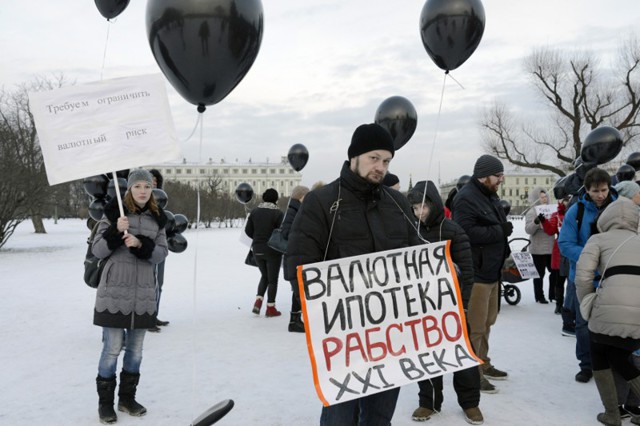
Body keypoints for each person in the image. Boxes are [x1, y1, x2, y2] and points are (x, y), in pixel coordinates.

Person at [286, 123, 422, 426]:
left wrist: (439, 266)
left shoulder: (398, 204)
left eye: (387, 161)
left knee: (379, 417)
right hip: (343, 334)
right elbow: (297, 265)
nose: (381, 167)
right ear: (354, 157)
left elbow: (416, 253)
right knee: (340, 415)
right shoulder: (322, 202)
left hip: (391, 331)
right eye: (374, 158)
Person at [92, 169, 168, 424]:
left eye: (147, 186)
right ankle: (105, 404)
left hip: (144, 293)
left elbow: (161, 254)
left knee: (135, 351)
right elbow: (99, 250)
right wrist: (115, 230)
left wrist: (140, 244)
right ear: (129, 189)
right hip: (114, 292)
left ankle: (126, 398)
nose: (143, 191)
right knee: (112, 349)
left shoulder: (158, 219)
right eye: (138, 186)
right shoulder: (113, 214)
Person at [407, 180, 483, 425]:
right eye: (415, 208)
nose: (419, 213)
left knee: (461, 355)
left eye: (423, 207)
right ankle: (428, 401)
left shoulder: (453, 230)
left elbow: (468, 272)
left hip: (452, 306)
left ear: (434, 204)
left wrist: (464, 303)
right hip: (422, 305)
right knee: (426, 355)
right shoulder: (411, 232)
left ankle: (470, 403)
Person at [575, 196, 640, 426]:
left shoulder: (597, 240)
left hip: (606, 309)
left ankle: (612, 413)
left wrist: (587, 305)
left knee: (600, 350)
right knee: (623, 355)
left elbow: (582, 277)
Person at [452, 154, 512, 394]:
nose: (501, 180)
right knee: (475, 327)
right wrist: (500, 231)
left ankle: (483, 362)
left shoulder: (489, 195)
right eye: (498, 176)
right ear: (485, 175)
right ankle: (472, 374)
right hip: (476, 274)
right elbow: (464, 232)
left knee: (487, 322)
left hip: (492, 271)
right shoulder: (466, 198)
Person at [558, 167, 616, 384]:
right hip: (582, 277)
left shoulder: (619, 209)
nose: (600, 195)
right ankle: (586, 364)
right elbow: (565, 243)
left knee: (611, 323)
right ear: (587, 191)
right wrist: (592, 257)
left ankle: (610, 364)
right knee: (583, 324)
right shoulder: (577, 211)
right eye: (595, 191)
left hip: (612, 277)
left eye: (604, 190)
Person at [245, 188, 284, 317]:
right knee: (272, 280)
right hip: (272, 250)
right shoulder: (278, 213)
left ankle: (258, 301)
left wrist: (257, 240)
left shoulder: (254, 212)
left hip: (257, 250)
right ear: (276, 200)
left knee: (265, 276)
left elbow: (248, 231)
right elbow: (282, 232)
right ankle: (270, 308)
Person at [280, 184, 310, 332]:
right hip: (295, 255)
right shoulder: (294, 211)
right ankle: (295, 320)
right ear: (300, 196)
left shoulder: (296, 209)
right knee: (299, 290)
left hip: (297, 255)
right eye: (306, 196)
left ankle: (296, 319)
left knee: (298, 289)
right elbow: (286, 232)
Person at [541, 191, 572, 316]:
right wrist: (544, 221)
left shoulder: (577, 213)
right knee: (559, 278)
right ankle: (559, 304)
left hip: (573, 246)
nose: (567, 202)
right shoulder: (556, 215)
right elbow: (550, 230)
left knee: (572, 279)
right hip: (559, 248)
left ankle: (570, 304)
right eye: (566, 200)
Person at [525, 188, 555, 304]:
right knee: (539, 274)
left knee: (554, 272)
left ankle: (553, 294)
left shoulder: (552, 210)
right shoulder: (532, 212)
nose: (544, 199)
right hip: (538, 248)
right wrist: (536, 222)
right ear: (535, 199)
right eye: (541, 197)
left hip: (551, 247)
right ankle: (539, 296)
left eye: (545, 196)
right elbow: (528, 230)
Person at [148, 168, 169, 332]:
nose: (154, 182)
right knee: (149, 283)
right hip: (147, 247)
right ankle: (147, 317)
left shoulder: (161, 199)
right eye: (151, 179)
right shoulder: (141, 201)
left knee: (159, 284)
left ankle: (154, 315)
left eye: (156, 180)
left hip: (160, 246)